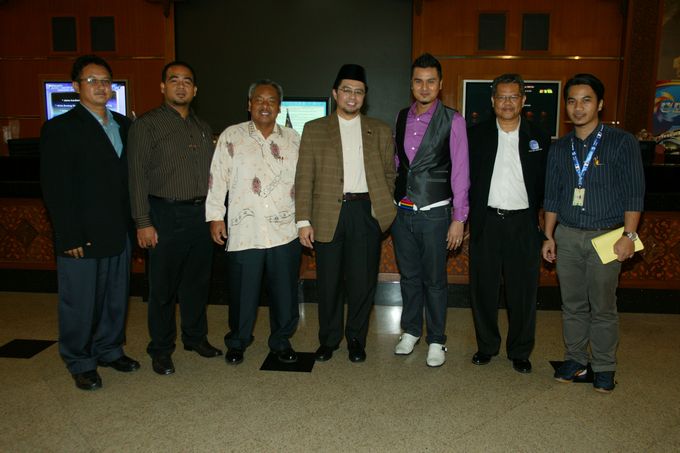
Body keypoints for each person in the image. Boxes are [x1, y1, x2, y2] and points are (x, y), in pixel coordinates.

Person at [40, 54, 139, 390]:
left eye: (106, 81)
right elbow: (55, 188)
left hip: (118, 230)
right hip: (80, 234)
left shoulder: (125, 125)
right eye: (92, 80)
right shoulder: (60, 129)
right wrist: (67, 235)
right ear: (76, 86)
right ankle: (79, 360)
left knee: (115, 298)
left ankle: (109, 350)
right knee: (80, 302)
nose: (100, 86)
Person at [542, 73, 645, 393]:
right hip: (567, 236)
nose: (578, 107)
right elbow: (552, 196)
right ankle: (575, 359)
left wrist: (629, 236)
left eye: (586, 100)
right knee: (572, 304)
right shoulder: (560, 148)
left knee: (602, 306)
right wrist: (549, 235)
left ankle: (603, 366)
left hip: (607, 237)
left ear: (600, 104)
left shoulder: (622, 142)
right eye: (572, 101)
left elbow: (634, 193)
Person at [295, 64, 396, 363]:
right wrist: (303, 220)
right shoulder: (314, 129)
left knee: (362, 283)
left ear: (365, 96)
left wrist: (382, 206)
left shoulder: (379, 130)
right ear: (335, 93)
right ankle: (328, 340)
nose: (352, 97)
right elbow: (304, 177)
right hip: (327, 213)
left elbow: (390, 173)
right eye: (347, 90)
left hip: (365, 213)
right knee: (328, 283)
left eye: (359, 92)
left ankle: (356, 340)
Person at [128, 61, 221, 376]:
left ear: (195, 90)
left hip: (200, 214)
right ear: (163, 86)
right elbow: (136, 177)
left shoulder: (202, 126)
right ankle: (161, 349)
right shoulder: (146, 125)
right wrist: (143, 222)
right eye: (174, 80)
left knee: (197, 284)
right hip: (164, 214)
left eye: (187, 81)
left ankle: (195, 338)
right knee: (163, 288)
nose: (181, 86)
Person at [206, 80, 302, 365]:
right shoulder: (231, 136)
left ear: (279, 107)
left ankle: (281, 341)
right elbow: (217, 178)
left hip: (285, 230)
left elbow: (304, 183)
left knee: (284, 293)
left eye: (271, 100)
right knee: (242, 292)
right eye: (259, 99)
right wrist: (215, 216)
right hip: (244, 230)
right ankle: (238, 341)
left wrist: (305, 221)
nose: (265, 105)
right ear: (249, 104)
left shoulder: (294, 139)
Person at [467, 73, 550, 374]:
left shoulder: (538, 137)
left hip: (523, 224)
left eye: (513, 97)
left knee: (523, 292)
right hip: (487, 222)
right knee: (483, 289)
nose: (507, 102)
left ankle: (520, 350)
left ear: (523, 100)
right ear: (492, 101)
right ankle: (487, 346)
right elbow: (463, 180)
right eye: (501, 97)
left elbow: (547, 185)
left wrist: (546, 230)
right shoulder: (475, 135)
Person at [392, 53, 469, 367]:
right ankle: (411, 331)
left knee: (435, 280)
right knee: (409, 277)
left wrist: (459, 218)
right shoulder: (401, 117)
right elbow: (399, 164)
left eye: (431, 81)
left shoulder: (453, 120)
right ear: (411, 84)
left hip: (436, 213)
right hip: (403, 212)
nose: (424, 87)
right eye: (418, 81)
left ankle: (436, 339)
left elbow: (461, 172)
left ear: (440, 85)